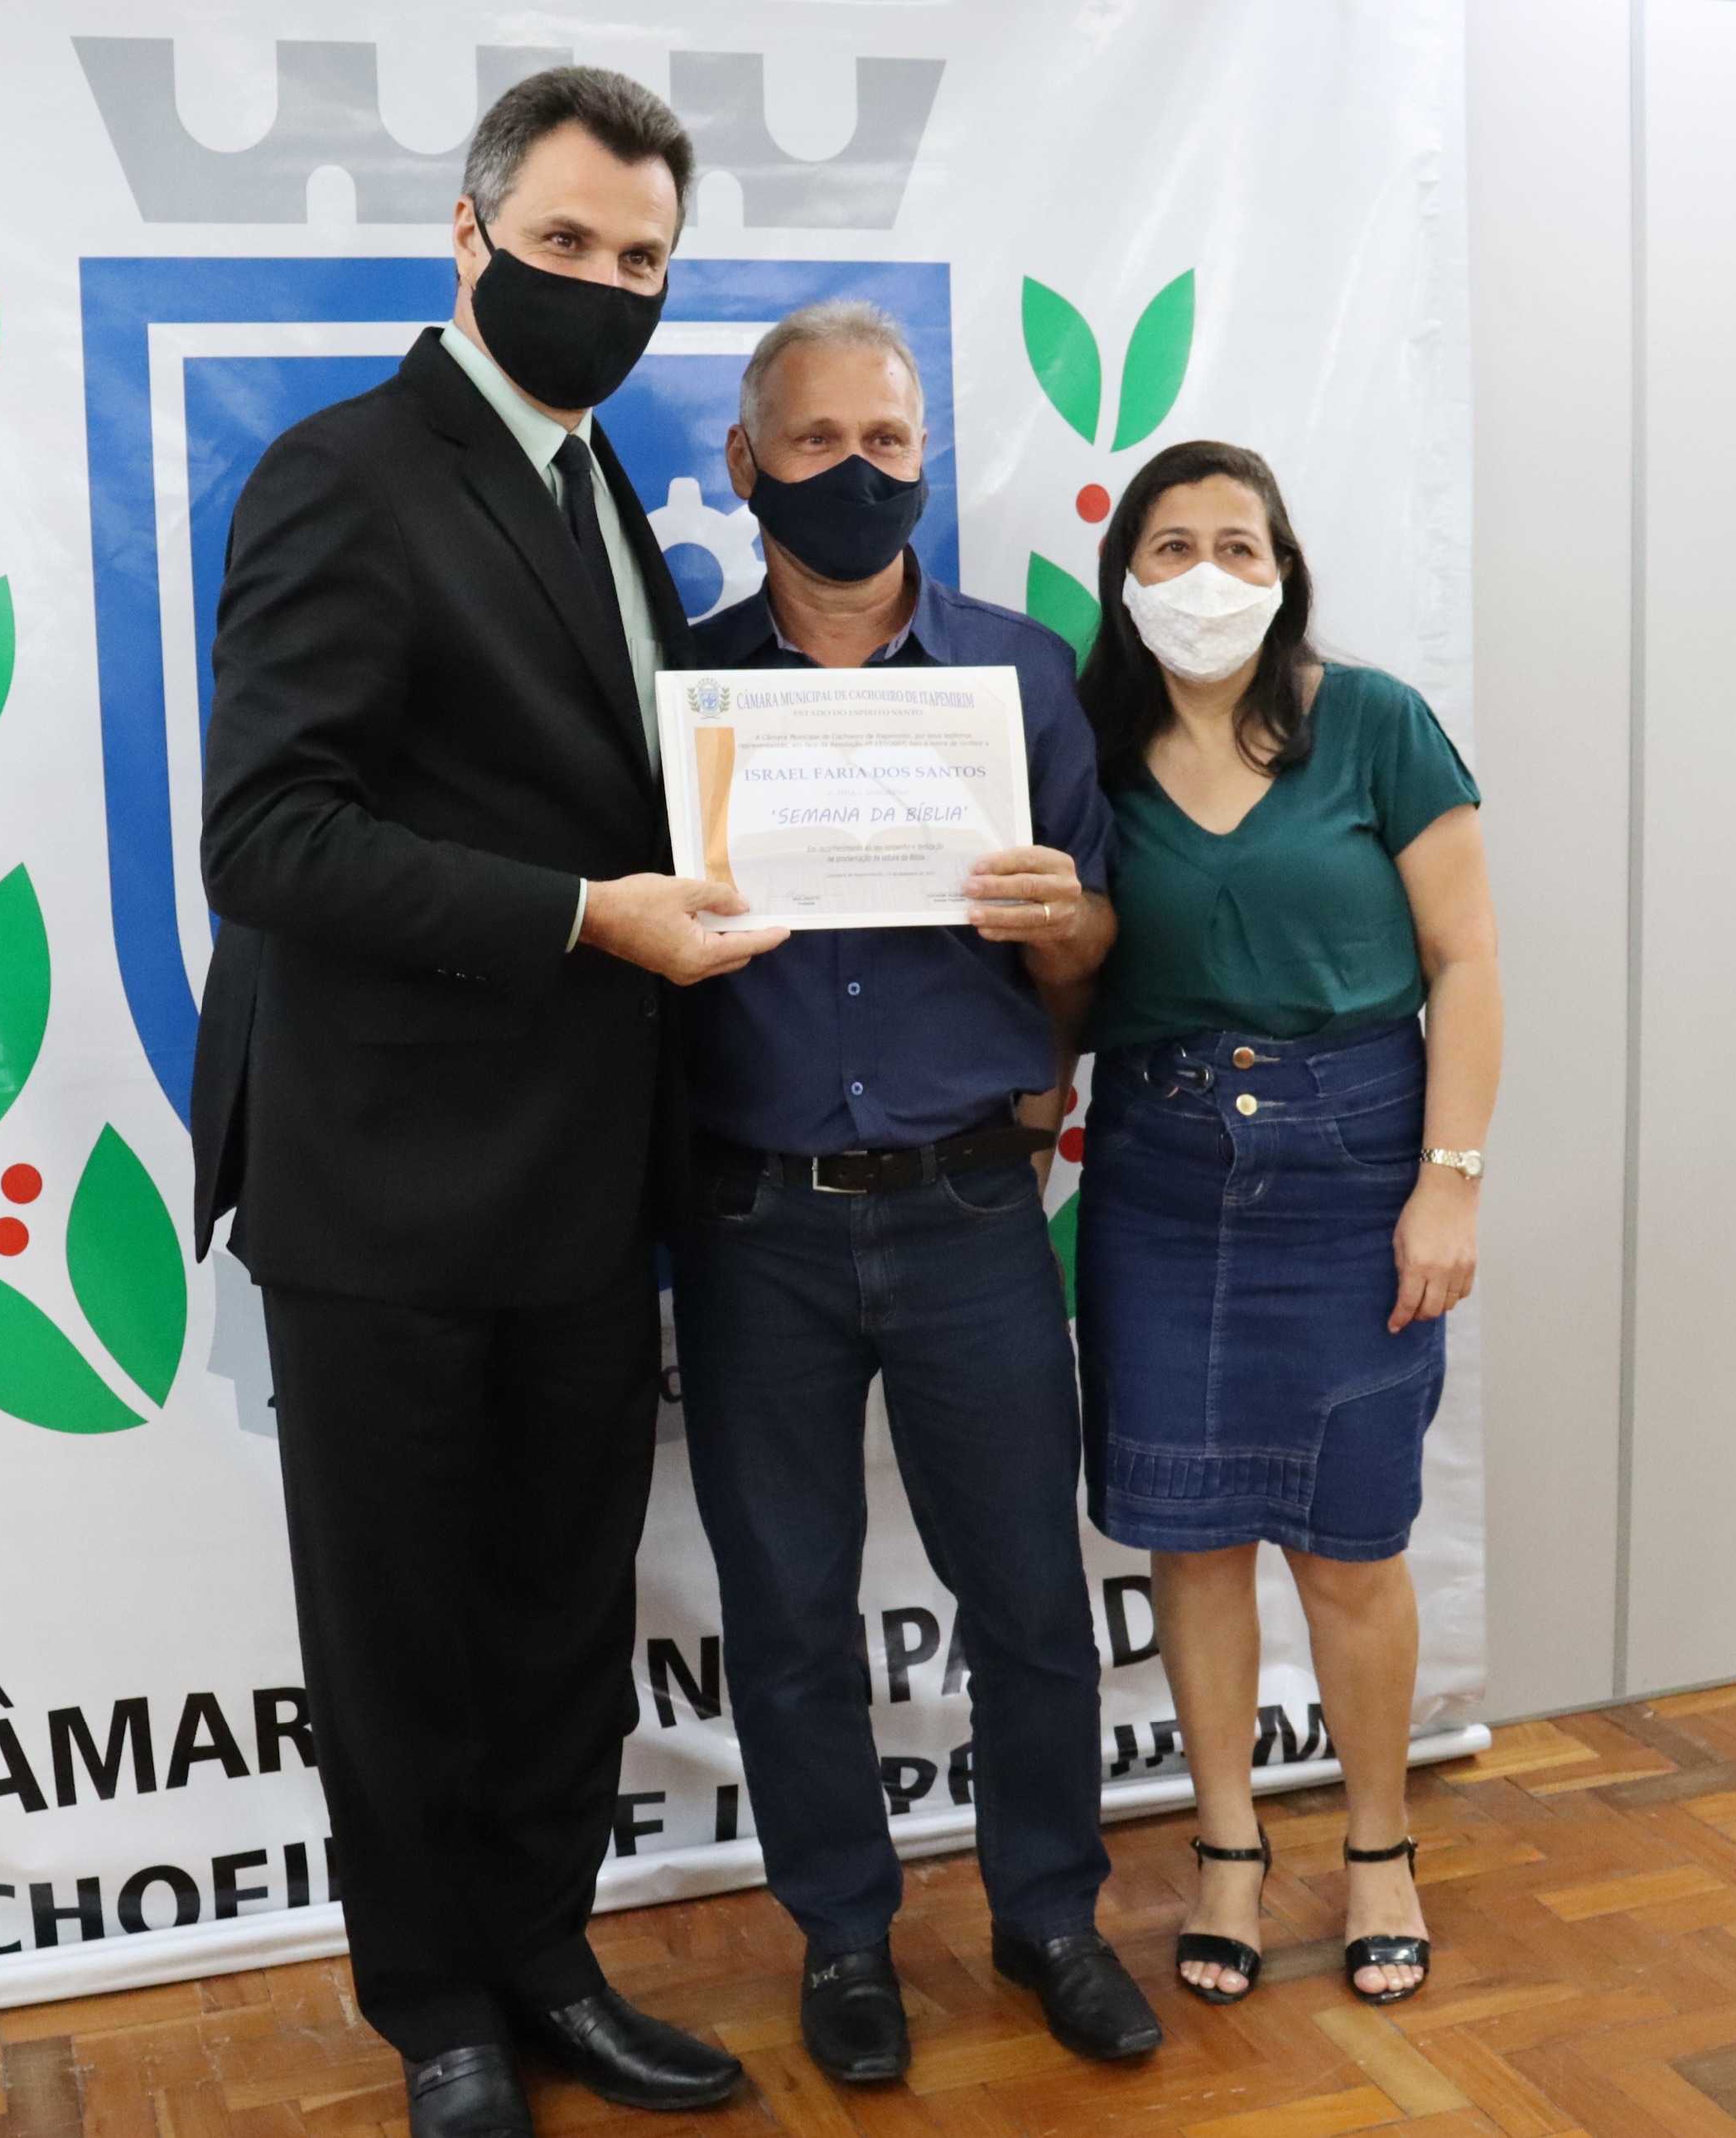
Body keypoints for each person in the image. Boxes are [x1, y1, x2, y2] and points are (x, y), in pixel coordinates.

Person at [190, 67, 788, 2138]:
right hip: (380, 1181)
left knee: (555, 1612)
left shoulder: (600, 491)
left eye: (642, 259)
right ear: (466, 237)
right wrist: (588, 917)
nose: (603, 285)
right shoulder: (344, 475)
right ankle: (434, 2004)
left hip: (581, 1174)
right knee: (399, 1627)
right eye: (564, 243)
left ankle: (547, 1958)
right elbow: (266, 836)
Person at [671, 301, 1165, 2082]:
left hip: (970, 1207)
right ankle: (844, 1939)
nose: (858, 473)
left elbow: (1092, 950)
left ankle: (1050, 1916)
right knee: (788, 1610)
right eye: (818, 443)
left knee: (1029, 1595)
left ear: (926, 459)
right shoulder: (683, 691)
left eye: (887, 442)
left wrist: (1066, 923)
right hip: (753, 1219)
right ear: (747, 465)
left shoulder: (1020, 679)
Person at [1068, 442, 1501, 2011]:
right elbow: (1061, 971)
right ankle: (1229, 1852)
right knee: (1192, 1540)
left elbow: (1466, 959)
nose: (1207, 575)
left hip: (1355, 1164)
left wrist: (1449, 1177)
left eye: (1238, 545)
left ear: (1285, 569)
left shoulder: (1373, 722)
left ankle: (1380, 1847)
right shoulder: (1087, 747)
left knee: (1350, 1543)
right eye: (1171, 545)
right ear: (1126, 578)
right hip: (1160, 1175)